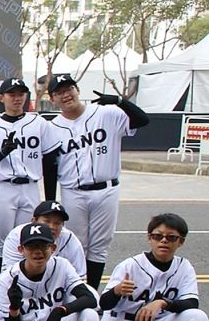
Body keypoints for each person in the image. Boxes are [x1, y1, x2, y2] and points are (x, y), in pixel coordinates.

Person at [44, 73, 149, 288]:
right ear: (52, 99)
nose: (66, 95)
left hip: (107, 188)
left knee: (100, 246)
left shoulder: (106, 113)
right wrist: (50, 201)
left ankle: (92, 292)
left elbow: (143, 120)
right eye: (59, 92)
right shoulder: (52, 128)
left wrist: (120, 101)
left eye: (69, 89)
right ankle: (75, 290)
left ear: (77, 90)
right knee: (76, 244)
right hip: (73, 191)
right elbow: (50, 167)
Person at [0, 77, 61, 270]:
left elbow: (50, 161)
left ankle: (25, 282)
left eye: (21, 94)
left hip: (30, 187)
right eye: (12, 94)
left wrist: (50, 200)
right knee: (1, 241)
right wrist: (2, 152)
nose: (17, 98)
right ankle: (3, 284)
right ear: (1, 97)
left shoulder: (39, 123)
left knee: (29, 238)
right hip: (4, 187)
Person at [1, 200, 87, 278]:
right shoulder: (17, 236)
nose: (52, 227)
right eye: (47, 221)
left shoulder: (70, 239)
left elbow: (79, 277)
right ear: (34, 221)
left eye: (57, 223)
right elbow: (9, 275)